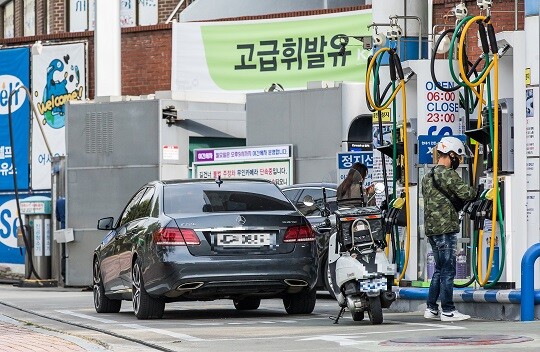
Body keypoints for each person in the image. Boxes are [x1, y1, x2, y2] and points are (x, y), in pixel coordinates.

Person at [422, 136, 476, 322]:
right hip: (445, 228)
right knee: (448, 271)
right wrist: (480, 190)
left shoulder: (427, 176)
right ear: (451, 154)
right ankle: (448, 310)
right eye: (458, 157)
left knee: (439, 269)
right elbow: (466, 193)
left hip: (431, 230)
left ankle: (431, 308)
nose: (458, 161)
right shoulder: (447, 174)